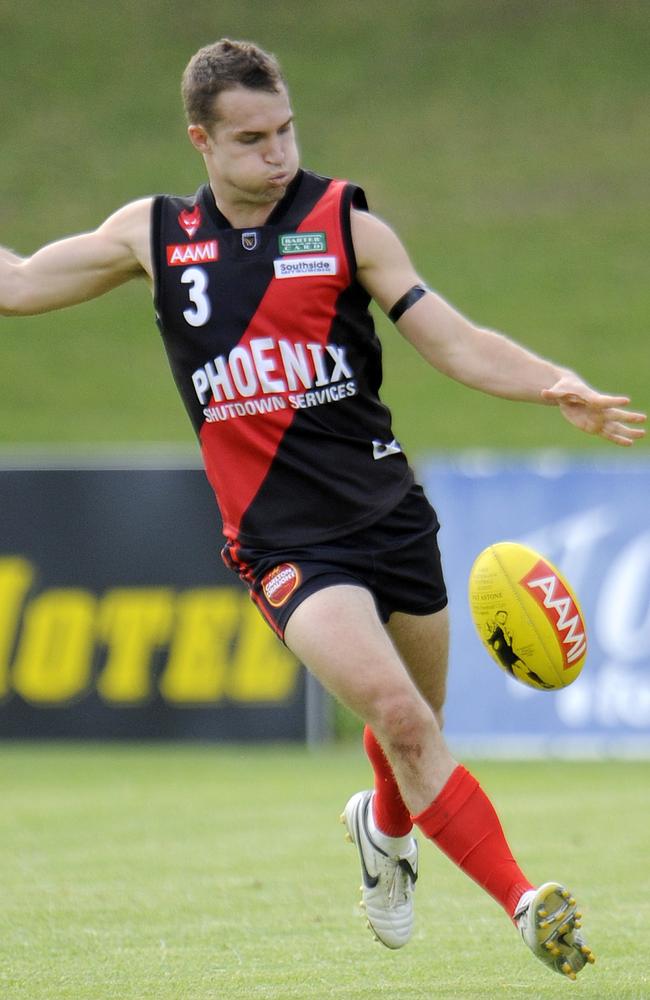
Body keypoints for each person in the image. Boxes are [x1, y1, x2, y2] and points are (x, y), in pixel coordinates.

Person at [1, 38, 646, 982]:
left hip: (391, 518)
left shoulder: (345, 222)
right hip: (282, 542)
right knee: (404, 719)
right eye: (253, 139)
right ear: (202, 142)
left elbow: (454, 342)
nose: (279, 153)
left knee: (411, 730)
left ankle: (381, 831)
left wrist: (554, 386)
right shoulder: (155, 233)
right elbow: (16, 285)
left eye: (287, 129)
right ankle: (524, 901)